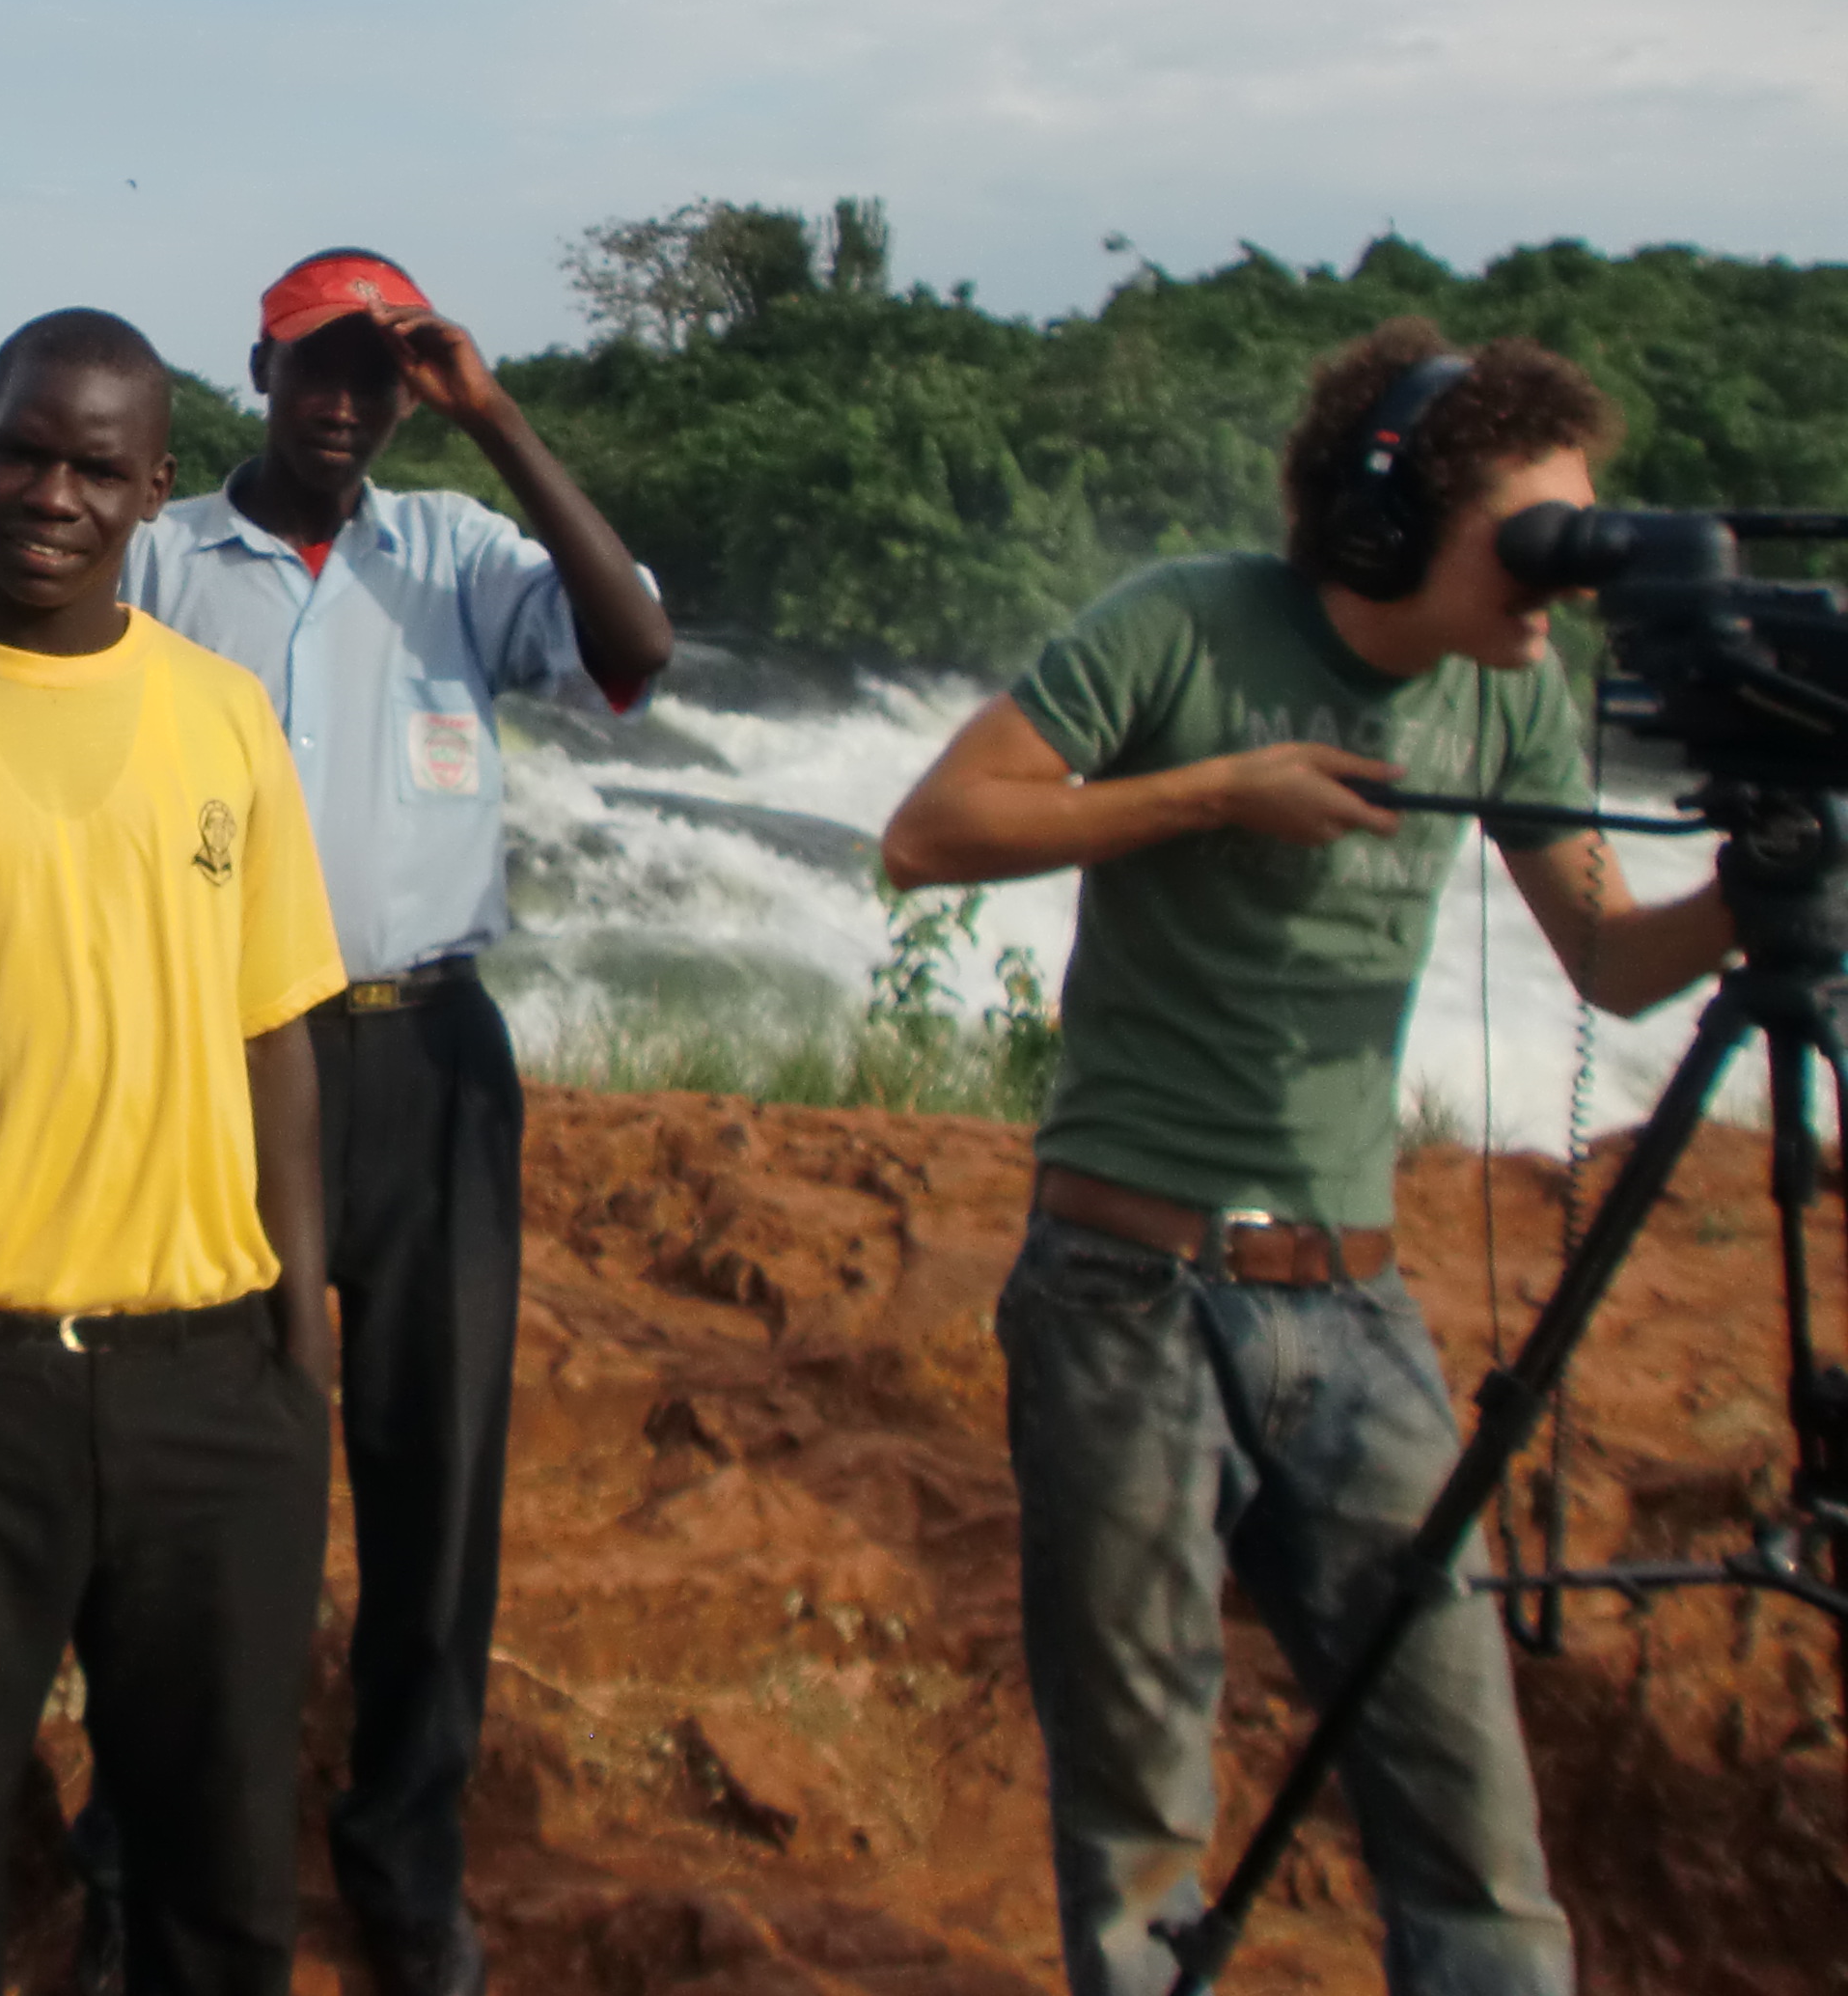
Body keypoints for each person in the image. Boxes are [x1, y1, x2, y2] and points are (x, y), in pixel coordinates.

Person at [879, 319, 1732, 1996]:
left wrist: (1755, 899)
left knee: (1472, 1813)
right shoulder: (1185, 625)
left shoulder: (1516, 692)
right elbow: (932, 832)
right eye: (1532, 536)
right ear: (1390, 524)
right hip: (1126, 1290)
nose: (1557, 585)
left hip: (1356, 1304)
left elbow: (1617, 963)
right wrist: (1217, 793)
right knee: (1140, 1808)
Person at [117, 246, 672, 1996]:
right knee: (202, 1471)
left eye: (383, 370)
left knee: (436, 1478)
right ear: (259, 375)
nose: (347, 401)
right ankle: (160, 1840)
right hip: (217, 1061)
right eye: (319, 367)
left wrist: (495, 418)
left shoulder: (457, 553)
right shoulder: (156, 564)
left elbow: (635, 646)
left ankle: (405, 1849)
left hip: (428, 1059)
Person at [0, 308, 348, 1996]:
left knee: (227, 1880)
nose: (53, 492)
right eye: (24, 450)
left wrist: (301, 1336)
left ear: (156, 489)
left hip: (215, 1383)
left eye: (98, 464)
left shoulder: (227, 721)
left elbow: (278, 1047)